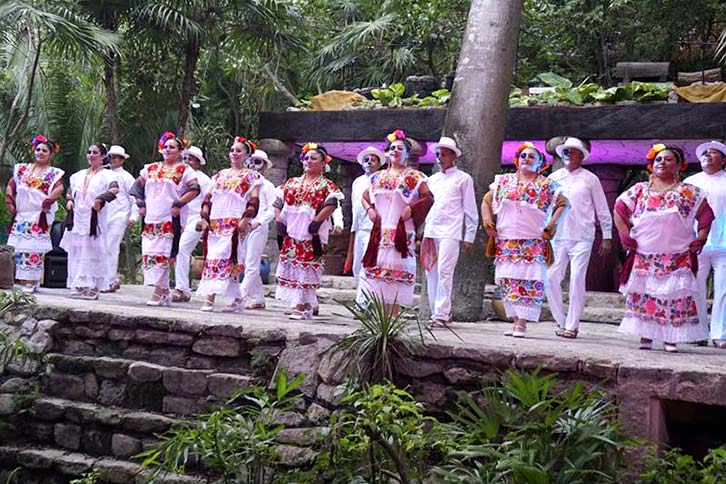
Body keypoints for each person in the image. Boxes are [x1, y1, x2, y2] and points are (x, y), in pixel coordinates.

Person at [614, 144, 713, 352]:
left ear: (678, 166)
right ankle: (646, 336)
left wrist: (701, 239)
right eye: (658, 159)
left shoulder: (688, 192)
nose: (662, 162)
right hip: (645, 254)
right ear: (652, 165)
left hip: (677, 255)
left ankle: (670, 338)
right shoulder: (640, 190)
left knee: (673, 297)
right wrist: (624, 235)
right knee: (645, 295)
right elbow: (619, 209)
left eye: (668, 159)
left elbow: (706, 216)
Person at [481, 142, 568, 337]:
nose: (526, 159)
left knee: (528, 279)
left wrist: (551, 225)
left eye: (531, 157)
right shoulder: (504, 181)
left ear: (540, 164)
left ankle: (521, 323)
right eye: (523, 156)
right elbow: (487, 200)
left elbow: (563, 204)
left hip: (533, 240)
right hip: (507, 239)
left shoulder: (546, 185)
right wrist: (487, 222)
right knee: (508, 280)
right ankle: (514, 321)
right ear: (517, 161)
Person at [358, 130, 433, 312]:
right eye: (392, 148)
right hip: (381, 230)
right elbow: (365, 196)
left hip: (401, 229)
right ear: (386, 152)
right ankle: (379, 320)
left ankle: (392, 319)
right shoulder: (377, 177)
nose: (395, 151)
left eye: (400, 148)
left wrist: (412, 208)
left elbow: (428, 198)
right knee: (378, 274)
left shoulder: (414, 177)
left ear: (407, 153)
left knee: (396, 276)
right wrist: (369, 210)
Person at [545, 137, 613, 339]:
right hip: (558, 236)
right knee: (550, 278)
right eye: (566, 151)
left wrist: (607, 236)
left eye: (573, 151)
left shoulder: (590, 179)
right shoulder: (554, 177)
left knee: (576, 278)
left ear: (581, 156)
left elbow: (602, 208)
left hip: (583, 235)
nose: (568, 154)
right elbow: (547, 207)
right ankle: (561, 320)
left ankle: (572, 326)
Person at [130, 131, 200, 306]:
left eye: (172, 147)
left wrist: (178, 203)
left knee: (165, 253)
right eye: (166, 147)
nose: (168, 150)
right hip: (151, 216)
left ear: (180, 151)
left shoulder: (184, 170)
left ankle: (157, 293)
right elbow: (136, 188)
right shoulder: (151, 168)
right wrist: (141, 205)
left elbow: (194, 189)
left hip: (170, 216)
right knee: (150, 252)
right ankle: (164, 292)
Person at [275, 143, 343, 319]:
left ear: (323, 164)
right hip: (292, 233)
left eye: (313, 158)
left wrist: (317, 221)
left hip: (311, 234)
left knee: (307, 269)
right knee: (294, 267)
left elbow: (331, 203)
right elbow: (278, 202)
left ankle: (301, 305)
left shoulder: (326, 185)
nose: (308, 161)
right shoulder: (292, 183)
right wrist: (279, 219)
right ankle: (306, 303)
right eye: (306, 158)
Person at [196, 137, 261, 312]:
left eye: (238, 151)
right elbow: (207, 198)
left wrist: (246, 219)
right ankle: (237, 298)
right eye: (232, 150)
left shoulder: (251, 176)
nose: (234, 154)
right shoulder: (219, 175)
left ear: (247, 155)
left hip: (234, 222)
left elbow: (254, 200)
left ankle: (210, 299)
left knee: (225, 257)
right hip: (216, 222)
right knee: (213, 258)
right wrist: (204, 218)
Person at [422, 136, 478, 327]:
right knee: (431, 271)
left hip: (451, 231)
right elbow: (424, 207)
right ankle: (435, 311)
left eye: (444, 154)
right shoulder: (431, 180)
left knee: (445, 271)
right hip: (431, 230)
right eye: (438, 154)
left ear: (453, 156)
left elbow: (470, 209)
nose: (440, 157)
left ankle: (441, 314)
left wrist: (469, 235)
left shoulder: (463, 179)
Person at [5, 135, 64, 293]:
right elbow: (12, 183)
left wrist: (48, 202)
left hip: (38, 214)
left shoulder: (53, 173)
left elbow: (59, 187)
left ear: (50, 154)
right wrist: (10, 200)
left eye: (44, 150)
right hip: (22, 213)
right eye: (38, 149)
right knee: (20, 248)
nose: (40, 152)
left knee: (33, 248)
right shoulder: (23, 169)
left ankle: (32, 281)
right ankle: (23, 279)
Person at [60, 143, 119, 299]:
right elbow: (70, 190)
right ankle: (80, 284)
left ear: (103, 156)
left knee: (95, 250)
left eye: (95, 152)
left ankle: (94, 287)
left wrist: (101, 199)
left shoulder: (108, 175)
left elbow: (114, 189)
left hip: (95, 217)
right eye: (89, 152)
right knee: (78, 250)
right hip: (79, 216)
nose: (91, 155)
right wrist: (70, 200)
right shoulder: (78, 175)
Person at [685, 141, 726, 348]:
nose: (708, 155)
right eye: (705, 153)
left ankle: (720, 334)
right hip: (696, 243)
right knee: (696, 288)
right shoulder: (691, 182)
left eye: (714, 153)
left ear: (723, 160)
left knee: (723, 289)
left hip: (723, 245)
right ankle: (698, 332)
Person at [172, 145, 212, 302]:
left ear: (198, 162)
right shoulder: (179, 175)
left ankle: (181, 288)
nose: (187, 161)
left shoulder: (205, 180)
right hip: (180, 218)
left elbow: (208, 202)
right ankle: (179, 287)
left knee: (182, 248)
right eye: (186, 158)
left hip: (195, 218)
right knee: (175, 250)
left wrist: (203, 220)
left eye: (191, 159)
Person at [240, 149, 276, 309]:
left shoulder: (268, 186)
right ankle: (258, 298)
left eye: (258, 162)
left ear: (264, 166)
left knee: (252, 263)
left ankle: (240, 297)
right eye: (251, 161)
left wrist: (259, 222)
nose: (253, 166)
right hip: (243, 225)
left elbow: (272, 209)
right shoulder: (243, 183)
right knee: (246, 263)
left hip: (258, 226)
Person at [344, 146, 385, 284]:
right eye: (366, 160)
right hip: (358, 227)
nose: (369, 162)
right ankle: (359, 296)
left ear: (379, 164)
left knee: (368, 263)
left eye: (373, 160)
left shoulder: (381, 180)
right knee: (357, 264)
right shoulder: (357, 182)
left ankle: (366, 299)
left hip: (372, 226)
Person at [104, 145, 138, 292]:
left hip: (119, 215)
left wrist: (133, 216)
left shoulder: (126, 177)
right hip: (104, 215)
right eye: (111, 157)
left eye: (117, 157)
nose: (113, 160)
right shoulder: (104, 174)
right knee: (101, 247)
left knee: (111, 246)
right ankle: (101, 278)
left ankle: (109, 279)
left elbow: (134, 198)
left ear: (122, 160)